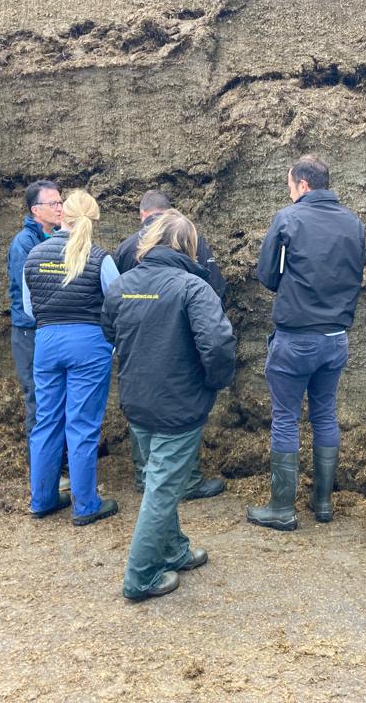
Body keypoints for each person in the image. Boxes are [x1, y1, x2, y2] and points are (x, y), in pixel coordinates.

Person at [102, 211, 236, 601]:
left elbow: (110, 331)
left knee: (161, 480)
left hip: (137, 400)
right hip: (179, 405)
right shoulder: (193, 288)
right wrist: (212, 383)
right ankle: (140, 576)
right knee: (162, 487)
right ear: (188, 247)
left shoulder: (122, 286)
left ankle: (174, 549)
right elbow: (218, 345)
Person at [246, 155, 366, 531]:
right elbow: (356, 274)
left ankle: (282, 508)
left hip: (296, 338)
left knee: (286, 418)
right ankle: (323, 502)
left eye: (290, 185)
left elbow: (266, 275)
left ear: (302, 184)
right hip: (335, 339)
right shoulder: (354, 223)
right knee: (325, 413)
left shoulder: (289, 218)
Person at [112, 190, 228, 501]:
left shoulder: (126, 247)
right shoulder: (192, 241)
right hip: (181, 339)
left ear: (142, 215)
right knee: (181, 415)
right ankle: (186, 482)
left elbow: (111, 311)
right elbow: (214, 290)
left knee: (144, 413)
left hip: (136, 346)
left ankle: (143, 476)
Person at [22, 190, 120, 526]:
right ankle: (85, 505)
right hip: (89, 343)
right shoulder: (99, 257)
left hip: (47, 341)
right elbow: (117, 303)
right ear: (93, 219)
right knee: (82, 424)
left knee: (47, 421)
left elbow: (29, 308)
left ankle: (43, 499)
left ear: (62, 215)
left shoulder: (34, 254)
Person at [7, 180, 63, 462]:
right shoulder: (24, 244)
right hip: (30, 332)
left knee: (57, 398)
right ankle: (43, 469)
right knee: (38, 399)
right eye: (53, 204)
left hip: (50, 329)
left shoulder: (56, 237)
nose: (59, 208)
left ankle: (59, 462)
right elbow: (29, 293)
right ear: (35, 210)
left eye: (60, 202)